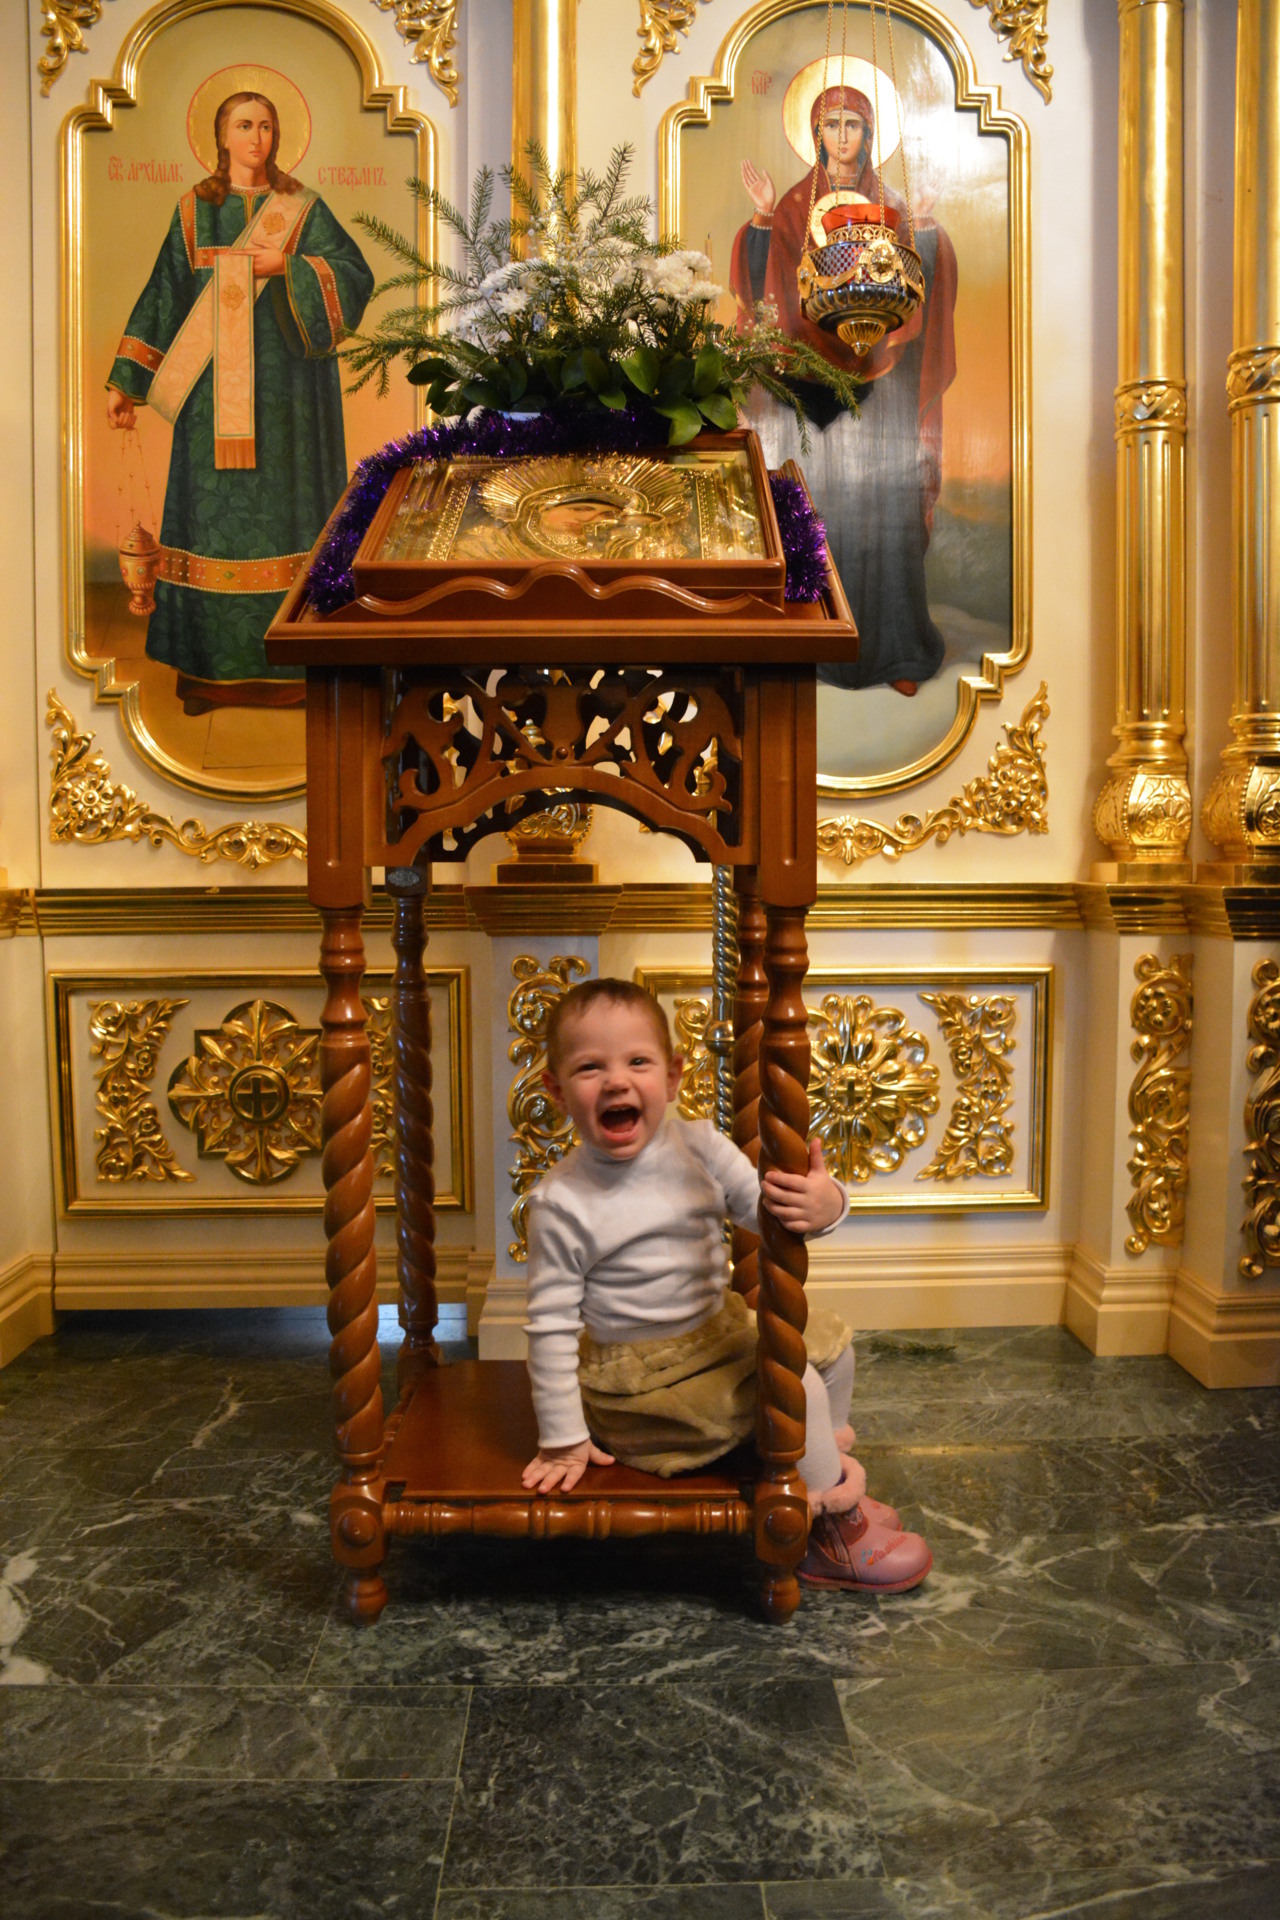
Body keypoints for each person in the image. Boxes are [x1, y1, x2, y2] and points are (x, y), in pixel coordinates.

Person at [520, 977, 931, 1594]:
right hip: (643, 1387)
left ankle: (820, 1471)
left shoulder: (700, 1147)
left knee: (834, 1349)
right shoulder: (561, 1202)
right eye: (589, 1067)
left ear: (673, 1076)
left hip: (715, 1336)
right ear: (556, 1090)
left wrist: (826, 1203)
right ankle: (825, 1530)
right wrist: (563, 1440)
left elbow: (770, 1213)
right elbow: (550, 1330)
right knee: (798, 1388)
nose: (616, 1081)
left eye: (638, 1062)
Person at [105, 88, 375, 714]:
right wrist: (126, 383)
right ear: (222, 136)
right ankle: (207, 672)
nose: (258, 138)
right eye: (245, 125)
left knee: (290, 514)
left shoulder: (303, 209)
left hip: (289, 402)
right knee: (211, 520)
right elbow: (164, 295)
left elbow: (354, 275)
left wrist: (287, 265)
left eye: (267, 127)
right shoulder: (194, 211)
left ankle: (298, 667)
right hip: (208, 403)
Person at [731, 81, 957, 696]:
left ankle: (895, 652)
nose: (841, 136)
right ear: (815, 134)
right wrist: (761, 218)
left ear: (868, 133)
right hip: (811, 387)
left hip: (881, 382)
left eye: (852, 124)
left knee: (889, 512)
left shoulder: (893, 204)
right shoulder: (792, 206)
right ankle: (811, 650)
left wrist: (925, 224)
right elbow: (762, 289)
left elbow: (924, 285)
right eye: (830, 125)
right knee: (818, 511)